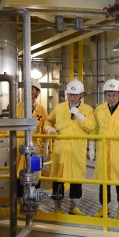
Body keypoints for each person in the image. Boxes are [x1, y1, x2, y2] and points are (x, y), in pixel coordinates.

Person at [44, 79, 96, 215]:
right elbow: (48, 120)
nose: (72, 97)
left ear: (81, 95)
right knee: (57, 178)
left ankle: (74, 207)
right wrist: (49, 128)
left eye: (75, 95)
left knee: (76, 179)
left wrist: (79, 115)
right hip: (60, 149)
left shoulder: (88, 110)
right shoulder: (59, 108)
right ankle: (57, 207)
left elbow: (91, 127)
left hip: (77, 150)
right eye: (70, 95)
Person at [90, 79, 119, 220]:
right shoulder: (99, 110)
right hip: (103, 152)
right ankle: (104, 208)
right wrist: (91, 147)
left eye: (114, 95)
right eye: (108, 95)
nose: (111, 98)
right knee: (103, 182)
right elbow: (93, 130)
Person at [15, 78, 48, 203]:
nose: (28, 92)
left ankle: (35, 201)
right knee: (19, 173)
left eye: (32, 89)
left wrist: (45, 147)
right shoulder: (18, 107)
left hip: (35, 147)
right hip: (20, 146)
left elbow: (44, 127)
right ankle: (18, 200)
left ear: (37, 92)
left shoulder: (42, 110)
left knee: (35, 174)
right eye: (27, 89)